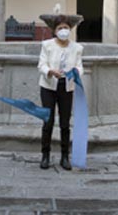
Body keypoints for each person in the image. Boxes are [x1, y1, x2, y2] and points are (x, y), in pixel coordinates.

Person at [37, 13, 84, 170]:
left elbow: (80, 66)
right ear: (54, 30)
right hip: (48, 87)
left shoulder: (77, 48)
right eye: (60, 28)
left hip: (66, 87)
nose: (63, 30)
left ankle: (65, 156)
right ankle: (45, 155)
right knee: (48, 122)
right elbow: (41, 64)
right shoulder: (47, 45)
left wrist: (76, 72)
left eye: (66, 28)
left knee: (65, 123)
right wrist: (50, 71)